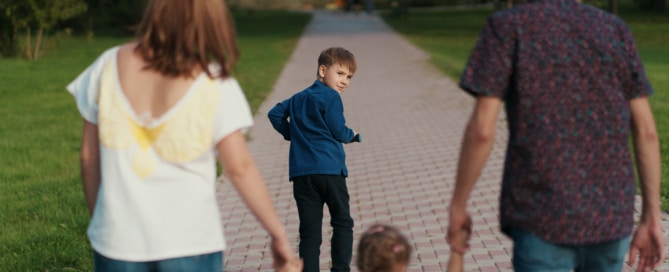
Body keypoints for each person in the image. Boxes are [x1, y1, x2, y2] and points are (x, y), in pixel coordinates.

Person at [66, 0, 301, 271]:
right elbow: (240, 168)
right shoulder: (215, 82)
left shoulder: (106, 66)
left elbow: (88, 158)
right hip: (190, 243)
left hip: (117, 244)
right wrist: (278, 234)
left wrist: (103, 221)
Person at [447, 0, 664, 271]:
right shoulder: (614, 29)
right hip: (610, 216)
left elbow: (481, 131)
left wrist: (459, 205)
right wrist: (652, 216)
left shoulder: (507, 26)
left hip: (541, 215)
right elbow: (647, 131)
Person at [268, 47, 361, 272]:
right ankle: (340, 269)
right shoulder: (331, 97)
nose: (344, 81)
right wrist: (353, 136)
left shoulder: (298, 97)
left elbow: (275, 114)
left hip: (302, 175)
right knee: (342, 221)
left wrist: (292, 133)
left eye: (349, 77)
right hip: (330, 170)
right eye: (340, 74)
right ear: (322, 69)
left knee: (309, 231)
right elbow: (338, 130)